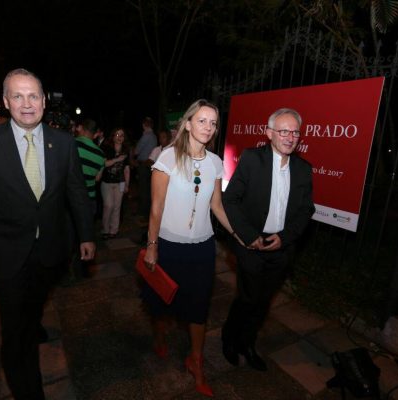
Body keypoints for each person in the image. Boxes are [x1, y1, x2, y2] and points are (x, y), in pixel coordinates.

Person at [0, 68, 96, 400]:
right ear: (6, 102)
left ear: (44, 101)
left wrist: (87, 235)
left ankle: (31, 327)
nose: (27, 104)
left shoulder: (63, 142)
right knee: (16, 330)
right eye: (18, 96)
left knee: (31, 312)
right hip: (4, 252)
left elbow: (77, 192)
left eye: (33, 96)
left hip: (50, 251)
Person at [142, 99, 240, 398]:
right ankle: (159, 336)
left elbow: (216, 205)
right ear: (187, 124)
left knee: (199, 308)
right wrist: (152, 246)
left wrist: (237, 234)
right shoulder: (168, 157)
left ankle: (196, 361)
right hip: (169, 246)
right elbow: (156, 207)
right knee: (161, 302)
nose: (208, 127)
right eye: (202, 120)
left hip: (202, 248)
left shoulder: (215, 162)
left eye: (213, 123)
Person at [221, 108, 315, 371]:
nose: (290, 137)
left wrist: (285, 238)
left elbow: (306, 210)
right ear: (269, 133)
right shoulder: (253, 159)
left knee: (263, 301)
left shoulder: (303, 169)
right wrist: (249, 236)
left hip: (282, 247)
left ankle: (247, 343)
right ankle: (229, 338)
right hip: (251, 244)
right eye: (283, 131)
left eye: (295, 132)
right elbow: (230, 199)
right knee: (248, 297)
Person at [100, 128, 130, 239]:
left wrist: (127, 184)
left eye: (121, 135)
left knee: (117, 206)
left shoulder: (125, 150)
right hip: (107, 181)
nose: (119, 137)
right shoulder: (107, 148)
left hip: (120, 182)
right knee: (108, 205)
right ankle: (105, 229)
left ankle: (114, 230)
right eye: (117, 135)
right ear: (112, 136)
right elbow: (104, 164)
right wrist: (117, 159)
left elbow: (127, 169)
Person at [134, 116, 157, 217]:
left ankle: (143, 212)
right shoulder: (154, 136)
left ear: (144, 125)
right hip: (150, 165)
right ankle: (147, 211)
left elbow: (136, 151)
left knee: (143, 189)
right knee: (148, 189)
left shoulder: (146, 136)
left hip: (143, 165)